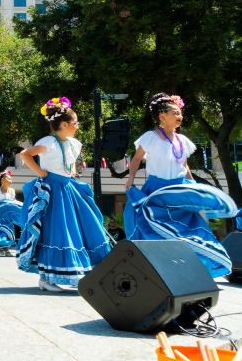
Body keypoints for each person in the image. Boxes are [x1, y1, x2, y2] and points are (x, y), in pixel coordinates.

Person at [124, 93, 236, 278]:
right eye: (175, 112)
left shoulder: (182, 141)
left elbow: (184, 164)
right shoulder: (150, 137)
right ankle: (153, 266)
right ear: (162, 116)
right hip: (157, 189)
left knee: (189, 227)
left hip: (178, 189)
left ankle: (198, 266)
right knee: (147, 222)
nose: (179, 116)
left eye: (180, 112)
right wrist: (131, 179)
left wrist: (192, 184)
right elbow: (136, 159)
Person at [16, 97, 112, 292]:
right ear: (65, 124)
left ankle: (81, 271)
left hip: (68, 187)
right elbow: (25, 154)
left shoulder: (74, 143)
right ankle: (46, 278)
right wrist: (42, 173)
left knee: (83, 225)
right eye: (75, 122)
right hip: (52, 189)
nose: (77, 126)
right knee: (56, 229)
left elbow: (71, 163)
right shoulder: (48, 142)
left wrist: (72, 173)